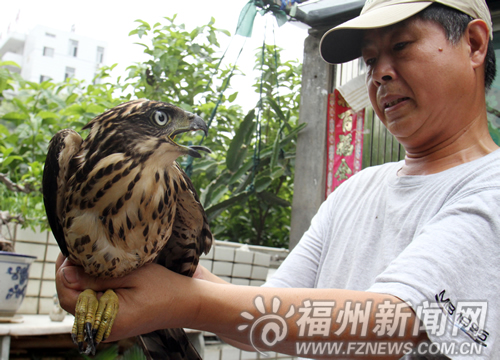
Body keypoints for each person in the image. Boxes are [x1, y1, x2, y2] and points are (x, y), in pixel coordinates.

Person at [55, 0, 500, 358]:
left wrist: (178, 300)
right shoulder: (357, 191)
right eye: (369, 60)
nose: (380, 73)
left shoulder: (491, 186)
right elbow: (262, 320)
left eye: (401, 46)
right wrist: (135, 269)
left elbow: (393, 328)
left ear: (475, 44)